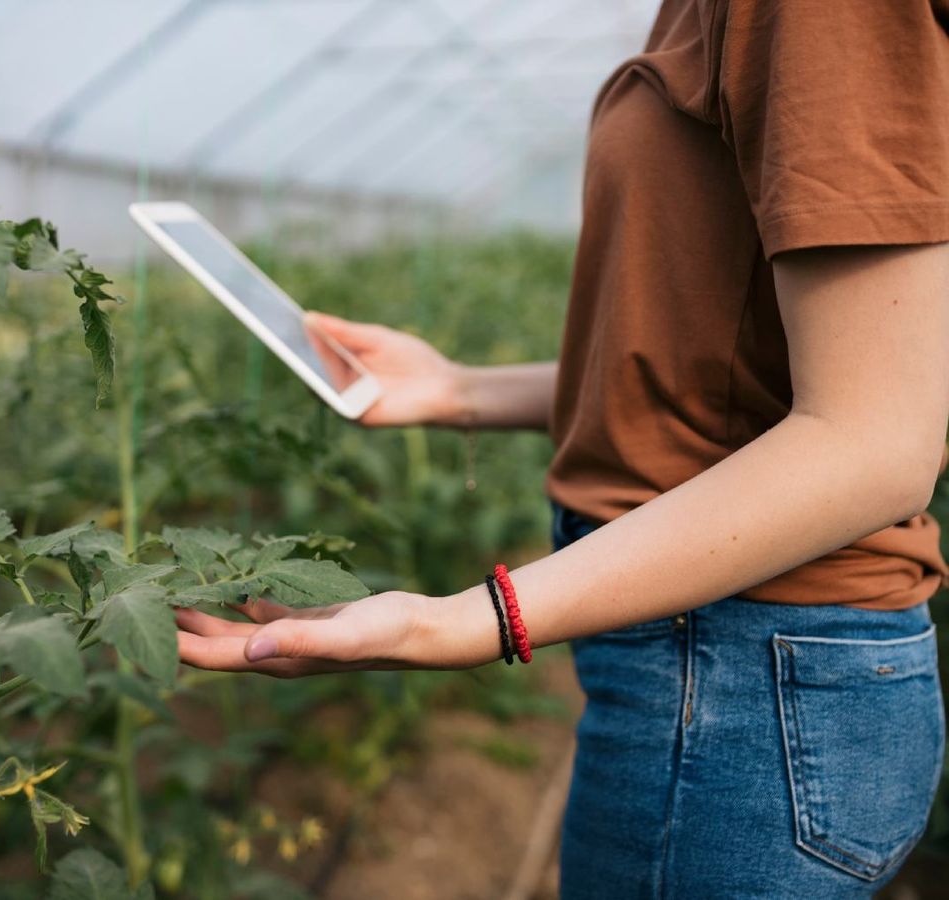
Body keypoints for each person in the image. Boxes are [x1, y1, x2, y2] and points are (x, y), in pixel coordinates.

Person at [176, 0, 949, 895]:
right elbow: (710, 362)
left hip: (742, 679)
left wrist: (461, 619)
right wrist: (461, 387)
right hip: (724, 670)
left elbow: (877, 439)